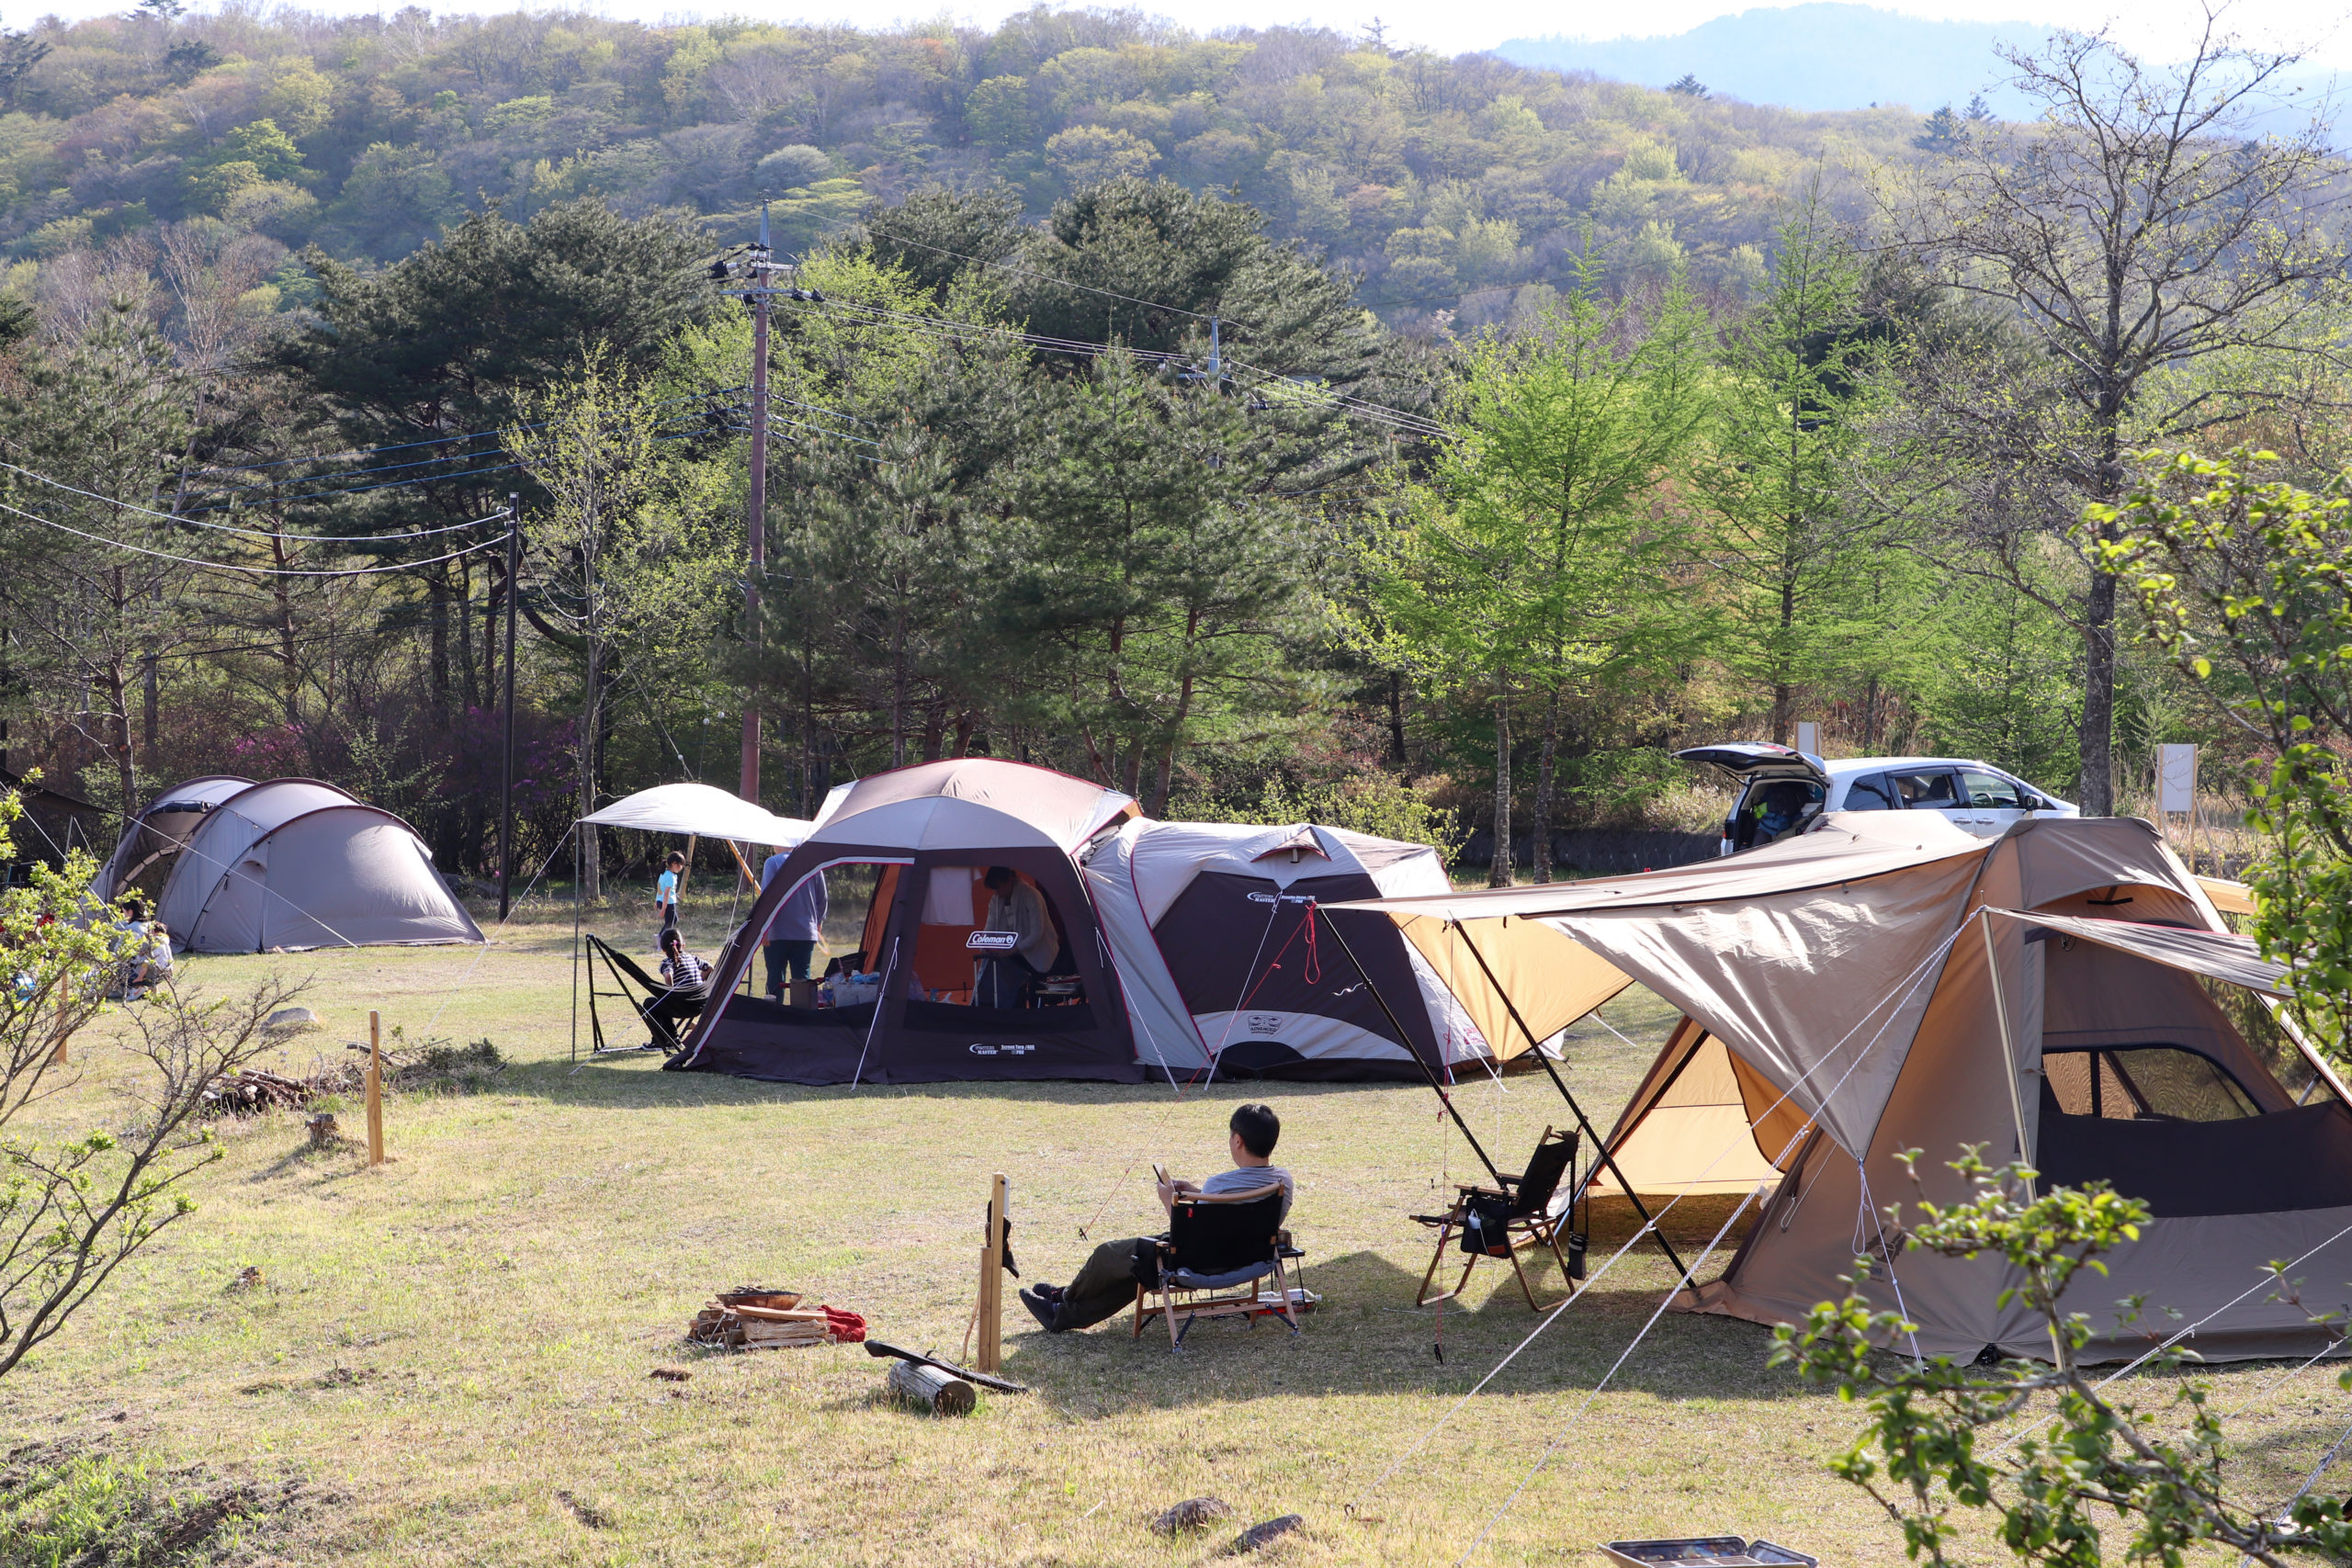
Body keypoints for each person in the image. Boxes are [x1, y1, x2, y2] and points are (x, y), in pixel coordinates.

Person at [1019, 1103, 1293, 1334]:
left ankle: (1064, 1297)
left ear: (1237, 1140)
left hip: (1200, 1262)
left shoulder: (1218, 1184)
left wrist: (1168, 1200)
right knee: (1137, 1270)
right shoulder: (1283, 1182)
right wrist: (1198, 1193)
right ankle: (1061, 1314)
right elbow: (1236, 1210)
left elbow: (1195, 1237)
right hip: (1250, 1256)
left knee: (1107, 1254)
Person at [978, 865, 1055, 1006]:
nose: (997, 892)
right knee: (1010, 987)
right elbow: (989, 926)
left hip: (1039, 953)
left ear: (1009, 880)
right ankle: (1014, 1017)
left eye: (998, 887)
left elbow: (1037, 933)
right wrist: (984, 945)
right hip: (1014, 953)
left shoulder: (1031, 895)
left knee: (1036, 994)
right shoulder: (996, 901)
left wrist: (1013, 950)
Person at [758, 849, 827, 1003]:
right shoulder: (813, 863)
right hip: (805, 933)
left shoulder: (773, 862)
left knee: (775, 979)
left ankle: (774, 1018)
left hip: (777, 932)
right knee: (802, 981)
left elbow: (767, 898)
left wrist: (764, 929)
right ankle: (802, 1019)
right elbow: (822, 899)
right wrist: (818, 923)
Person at [645, 927, 710, 1052]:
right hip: (699, 1005)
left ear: (663, 949)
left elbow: (668, 975)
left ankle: (665, 1039)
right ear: (683, 945)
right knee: (662, 1002)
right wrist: (700, 984)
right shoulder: (693, 958)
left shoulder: (668, 962)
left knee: (650, 1002)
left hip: (683, 1007)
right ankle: (672, 1038)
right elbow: (709, 968)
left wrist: (671, 991)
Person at [654, 850, 685, 931]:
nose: (681, 867)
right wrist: (663, 909)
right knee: (669, 924)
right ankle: (661, 939)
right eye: (680, 865)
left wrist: (657, 901)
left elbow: (659, 889)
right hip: (668, 903)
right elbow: (666, 894)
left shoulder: (663, 873)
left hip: (662, 901)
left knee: (674, 919)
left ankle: (661, 938)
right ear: (674, 863)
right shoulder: (671, 877)